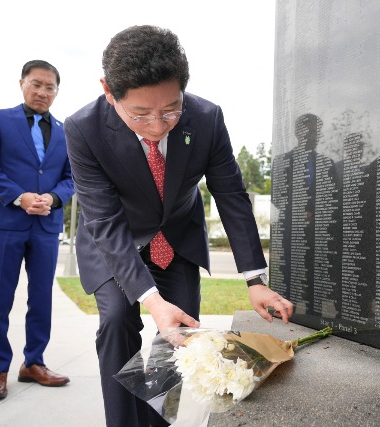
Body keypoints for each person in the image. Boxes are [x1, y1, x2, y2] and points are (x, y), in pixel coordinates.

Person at [64, 25, 294, 427]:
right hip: (116, 238)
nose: (157, 125)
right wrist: (152, 301)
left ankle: (156, 423)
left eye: (170, 109)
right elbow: (103, 217)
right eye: (140, 114)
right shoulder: (83, 128)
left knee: (178, 334)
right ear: (108, 90)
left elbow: (231, 196)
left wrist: (255, 279)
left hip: (177, 238)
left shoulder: (206, 118)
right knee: (118, 319)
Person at [0, 60, 75, 400]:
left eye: (50, 87)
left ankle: (34, 363)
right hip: (5, 223)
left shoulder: (65, 131)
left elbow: (71, 178)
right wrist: (20, 196)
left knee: (42, 299)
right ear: (22, 84)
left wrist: (53, 198)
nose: (43, 92)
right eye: (37, 84)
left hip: (46, 226)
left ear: (57, 91)